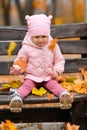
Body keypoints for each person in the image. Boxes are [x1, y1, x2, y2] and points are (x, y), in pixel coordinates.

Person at [9, 14, 73, 113]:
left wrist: (56, 70)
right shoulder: (26, 48)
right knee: (26, 86)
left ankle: (64, 96)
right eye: (37, 37)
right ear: (31, 35)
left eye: (44, 36)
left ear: (48, 35)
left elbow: (59, 60)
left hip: (48, 76)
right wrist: (17, 68)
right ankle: (17, 99)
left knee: (54, 85)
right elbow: (21, 62)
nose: (40, 40)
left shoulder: (53, 46)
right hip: (32, 76)